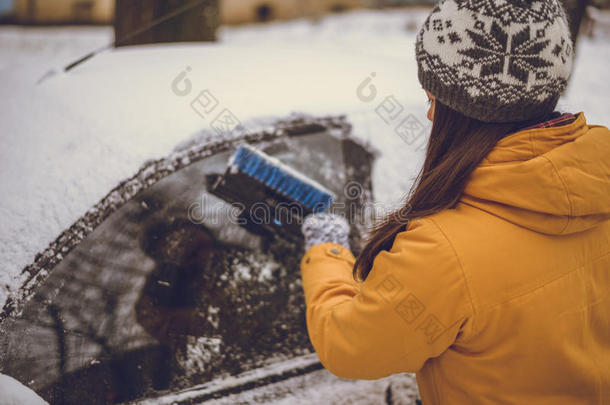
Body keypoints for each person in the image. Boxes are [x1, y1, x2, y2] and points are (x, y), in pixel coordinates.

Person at [299, 0, 610, 403]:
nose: (429, 115)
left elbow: (348, 345)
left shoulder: (442, 253)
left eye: (433, 98)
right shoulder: (597, 187)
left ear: (464, 110)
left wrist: (325, 248)